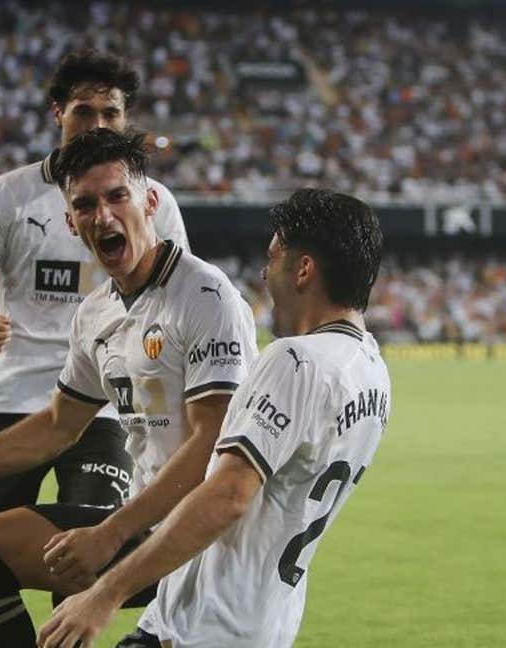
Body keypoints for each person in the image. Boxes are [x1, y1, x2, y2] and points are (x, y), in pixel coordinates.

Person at [0, 128, 256, 647]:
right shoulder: (96, 312)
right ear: (72, 222)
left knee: (67, 586)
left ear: (151, 201)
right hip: (147, 520)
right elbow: (58, 424)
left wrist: (110, 534)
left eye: (118, 196)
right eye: (86, 205)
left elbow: (210, 445)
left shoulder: (206, 297)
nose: (104, 216)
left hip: (205, 531)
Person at [38, 188, 390, 648]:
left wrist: (105, 594)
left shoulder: (294, 361)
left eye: (274, 257)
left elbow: (228, 495)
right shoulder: (372, 373)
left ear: (304, 270)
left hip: (201, 628)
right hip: (264, 624)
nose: (265, 273)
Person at [0, 49, 188, 531]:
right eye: (84, 111)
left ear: (125, 119)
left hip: (108, 401)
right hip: (16, 394)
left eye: (111, 113)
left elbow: (178, 297)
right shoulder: (8, 195)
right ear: (58, 112)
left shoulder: (155, 202)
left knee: (89, 556)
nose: (98, 123)